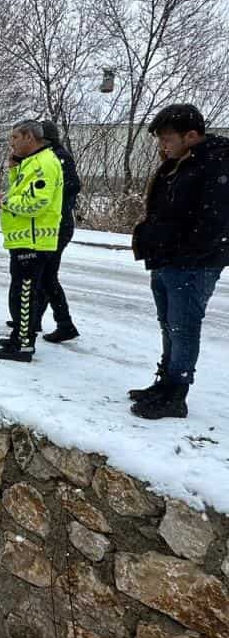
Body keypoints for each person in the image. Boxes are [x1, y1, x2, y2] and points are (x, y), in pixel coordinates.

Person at [129, 103, 228, 419]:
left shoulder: (214, 165)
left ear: (191, 135)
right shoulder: (180, 163)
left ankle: (176, 394)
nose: (162, 144)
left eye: (167, 138)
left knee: (183, 327)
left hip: (193, 263)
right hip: (167, 259)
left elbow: (213, 222)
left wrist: (181, 249)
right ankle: (165, 383)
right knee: (169, 325)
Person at [0, 119, 63, 362]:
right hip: (23, 239)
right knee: (19, 292)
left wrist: (5, 202)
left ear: (29, 137)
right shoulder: (31, 163)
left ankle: (23, 345)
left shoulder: (44, 164)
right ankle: (19, 337)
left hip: (34, 241)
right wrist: (13, 170)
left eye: (15, 138)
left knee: (25, 294)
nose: (11, 144)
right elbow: (23, 191)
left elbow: (36, 203)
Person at [37, 120, 82, 343]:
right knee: (43, 275)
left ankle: (65, 323)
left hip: (56, 226)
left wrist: (57, 206)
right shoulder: (54, 156)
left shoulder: (55, 158)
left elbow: (71, 187)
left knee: (46, 276)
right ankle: (34, 318)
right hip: (55, 224)